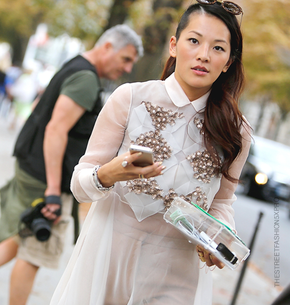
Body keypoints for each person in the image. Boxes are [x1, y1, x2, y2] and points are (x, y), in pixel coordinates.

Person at [50, 2, 252, 305]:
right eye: (194, 41)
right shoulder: (130, 98)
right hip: (109, 256)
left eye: (218, 48)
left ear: (228, 62)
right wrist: (109, 174)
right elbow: (80, 185)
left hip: (176, 270)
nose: (203, 55)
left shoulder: (236, 131)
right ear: (174, 46)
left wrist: (219, 240)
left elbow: (222, 202)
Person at [0, 24, 143, 305]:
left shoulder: (75, 66)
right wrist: (52, 191)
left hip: (34, 167)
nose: (128, 68)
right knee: (34, 252)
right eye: (126, 59)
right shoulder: (85, 79)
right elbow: (56, 130)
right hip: (46, 177)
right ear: (108, 47)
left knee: (20, 237)